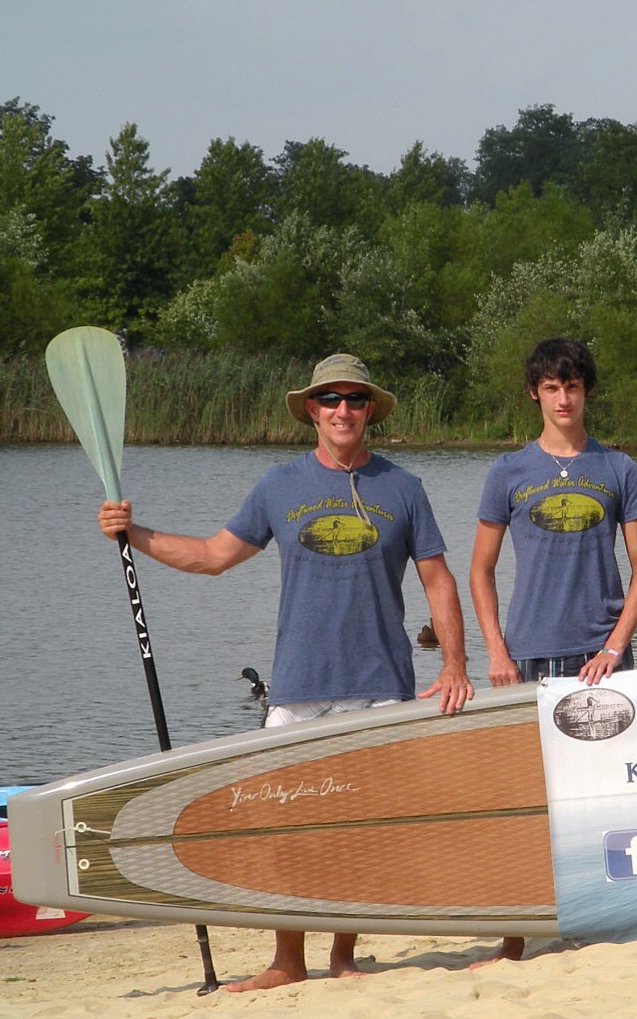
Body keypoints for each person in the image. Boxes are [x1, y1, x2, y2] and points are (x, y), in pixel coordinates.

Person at [97, 353, 471, 993]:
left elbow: (437, 579)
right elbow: (213, 556)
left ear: (370, 411)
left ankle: (344, 955)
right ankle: (287, 960)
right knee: (285, 830)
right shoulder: (279, 485)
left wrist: (456, 665)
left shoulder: (404, 487)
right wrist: (133, 534)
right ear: (312, 412)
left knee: (363, 828)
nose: (343, 410)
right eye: (330, 399)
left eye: (355, 399)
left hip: (382, 685)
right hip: (298, 687)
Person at [467, 337, 637, 967]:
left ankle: (620, 915)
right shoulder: (508, 472)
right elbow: (480, 570)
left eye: (572, 386)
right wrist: (496, 651)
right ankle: (516, 933)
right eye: (552, 387)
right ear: (535, 394)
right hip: (529, 658)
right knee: (528, 799)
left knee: (612, 793)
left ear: (586, 390)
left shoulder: (619, 469)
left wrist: (615, 646)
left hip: (602, 658)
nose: (564, 398)